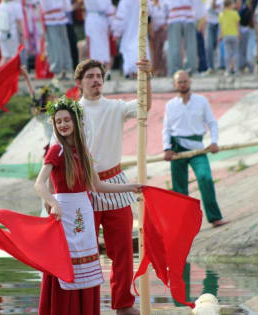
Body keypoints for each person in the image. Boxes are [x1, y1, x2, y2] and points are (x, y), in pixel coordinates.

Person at [35, 96, 142, 315]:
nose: (63, 124)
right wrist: (53, 203)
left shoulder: (84, 153)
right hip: (64, 212)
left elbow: (98, 186)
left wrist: (131, 187)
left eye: (67, 120)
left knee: (85, 266)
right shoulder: (56, 150)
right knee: (67, 263)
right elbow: (39, 184)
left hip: (84, 209)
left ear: (75, 122)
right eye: (58, 121)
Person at [74, 58, 152, 315]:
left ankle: (123, 304)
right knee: (85, 252)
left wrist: (146, 77)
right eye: (90, 77)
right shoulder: (72, 113)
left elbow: (144, 107)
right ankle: (86, 306)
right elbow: (58, 150)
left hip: (116, 183)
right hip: (84, 187)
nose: (96, 81)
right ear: (80, 83)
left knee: (123, 252)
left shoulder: (115, 107)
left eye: (99, 76)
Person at [162, 70, 228, 228]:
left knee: (205, 177)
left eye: (185, 81)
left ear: (190, 82)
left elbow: (212, 123)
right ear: (175, 85)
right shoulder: (170, 105)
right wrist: (166, 148)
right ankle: (183, 223)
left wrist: (214, 142)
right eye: (180, 82)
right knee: (179, 188)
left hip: (198, 149)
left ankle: (215, 217)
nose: (183, 84)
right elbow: (166, 129)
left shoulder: (201, 101)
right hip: (177, 149)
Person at [39, 0, 73, 80]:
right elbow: (67, 6)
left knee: (55, 44)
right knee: (63, 44)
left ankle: (59, 70)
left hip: (52, 17)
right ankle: (66, 68)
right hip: (59, 15)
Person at [163, 0, 197, 76]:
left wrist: (165, 19)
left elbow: (164, 6)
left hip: (174, 16)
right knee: (190, 46)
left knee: (174, 46)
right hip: (188, 16)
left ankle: (175, 71)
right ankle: (190, 69)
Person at [0, 0, 24, 67]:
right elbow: (19, 22)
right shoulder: (16, 5)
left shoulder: (0, 5)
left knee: (4, 57)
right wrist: (22, 34)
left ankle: (1, 75)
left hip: (1, 34)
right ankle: (9, 75)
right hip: (11, 35)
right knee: (12, 57)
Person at [219, 0, 241, 75]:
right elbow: (237, 24)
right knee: (236, 53)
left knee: (227, 54)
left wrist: (221, 35)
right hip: (234, 35)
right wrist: (239, 34)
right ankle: (236, 70)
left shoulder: (221, 14)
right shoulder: (235, 13)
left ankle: (228, 70)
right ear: (230, 5)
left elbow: (221, 26)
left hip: (226, 35)